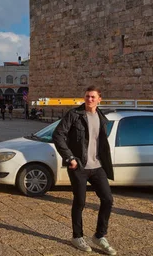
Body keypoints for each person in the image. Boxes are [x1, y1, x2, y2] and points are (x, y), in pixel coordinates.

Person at [52, 86, 116, 255]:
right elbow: (58, 135)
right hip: (79, 166)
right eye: (87, 96)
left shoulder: (102, 117)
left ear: (99, 99)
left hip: (97, 166)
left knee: (108, 199)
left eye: (93, 97)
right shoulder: (74, 115)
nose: (90, 99)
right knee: (80, 202)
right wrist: (70, 157)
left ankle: (100, 235)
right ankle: (77, 236)